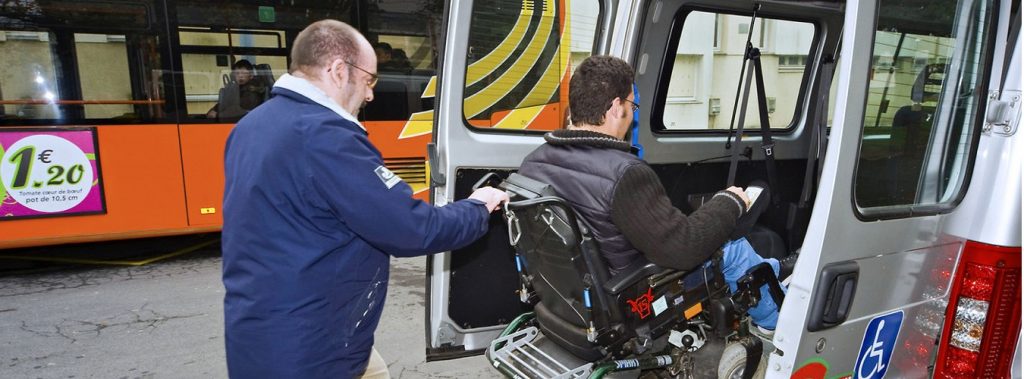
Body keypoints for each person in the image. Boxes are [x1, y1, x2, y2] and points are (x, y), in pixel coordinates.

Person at [221, 20, 508, 379]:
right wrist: (477, 206)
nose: (371, 94)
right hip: (311, 347)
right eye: (369, 80)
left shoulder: (253, 125)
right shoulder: (326, 137)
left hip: (261, 328)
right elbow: (411, 228)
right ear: (339, 71)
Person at [517, 55, 794, 332]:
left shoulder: (533, 163)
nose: (631, 113)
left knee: (735, 249)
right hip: (635, 297)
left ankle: (773, 269)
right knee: (733, 248)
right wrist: (730, 202)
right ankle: (780, 328)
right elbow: (683, 248)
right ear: (616, 108)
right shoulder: (624, 174)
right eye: (632, 105)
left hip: (571, 296)